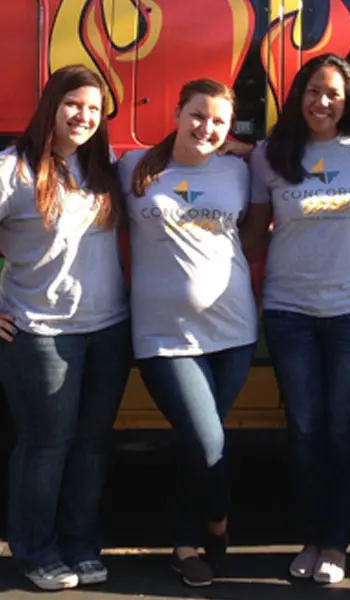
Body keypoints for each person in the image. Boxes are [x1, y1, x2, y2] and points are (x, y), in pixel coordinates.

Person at [242, 53, 350, 584]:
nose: (323, 102)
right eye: (314, 91)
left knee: (338, 428)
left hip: (349, 309)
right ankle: (311, 539)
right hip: (288, 309)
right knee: (303, 428)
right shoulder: (269, 155)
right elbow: (253, 232)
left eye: (334, 94)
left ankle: (336, 546)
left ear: (349, 101)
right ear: (298, 96)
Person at [118, 79, 257, 588]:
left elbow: (259, 223)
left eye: (218, 120)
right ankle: (216, 527)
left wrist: (249, 146)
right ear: (177, 112)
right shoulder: (133, 167)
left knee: (199, 441)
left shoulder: (239, 171)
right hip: (164, 337)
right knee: (206, 440)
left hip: (234, 331)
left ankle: (184, 542)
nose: (207, 127)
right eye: (198, 115)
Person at [0, 64, 131, 590]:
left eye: (95, 109)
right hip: (39, 332)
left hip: (108, 330)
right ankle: (35, 551)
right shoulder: (13, 169)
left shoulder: (104, 165)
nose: (84, 116)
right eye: (74, 104)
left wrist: (242, 149)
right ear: (51, 105)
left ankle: (80, 545)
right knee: (45, 444)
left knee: (91, 444)